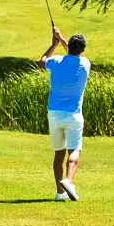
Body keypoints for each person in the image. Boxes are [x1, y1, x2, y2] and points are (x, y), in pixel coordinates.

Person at [38, 27, 90, 202]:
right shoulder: (85, 64)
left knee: (58, 153)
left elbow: (42, 62)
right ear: (82, 50)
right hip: (74, 114)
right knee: (74, 150)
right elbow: (73, 52)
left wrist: (53, 44)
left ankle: (60, 193)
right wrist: (61, 40)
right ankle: (68, 180)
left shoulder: (57, 61)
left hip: (54, 113)